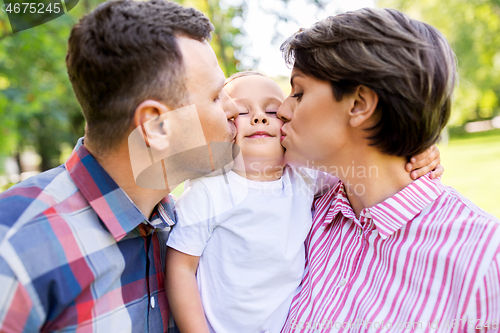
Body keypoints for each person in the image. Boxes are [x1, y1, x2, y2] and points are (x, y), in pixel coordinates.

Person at [0, 0, 239, 331]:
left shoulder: (188, 231)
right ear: (156, 127)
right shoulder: (15, 246)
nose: (235, 108)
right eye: (216, 97)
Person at [164, 72, 443, 333]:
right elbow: (181, 269)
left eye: (272, 112)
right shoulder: (209, 191)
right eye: (242, 112)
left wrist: (413, 153)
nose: (260, 118)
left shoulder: (304, 177)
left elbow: (361, 166)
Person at [276, 8, 500, 332]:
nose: (282, 110)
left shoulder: (483, 259)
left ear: (359, 104)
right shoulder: (299, 208)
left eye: (299, 92)